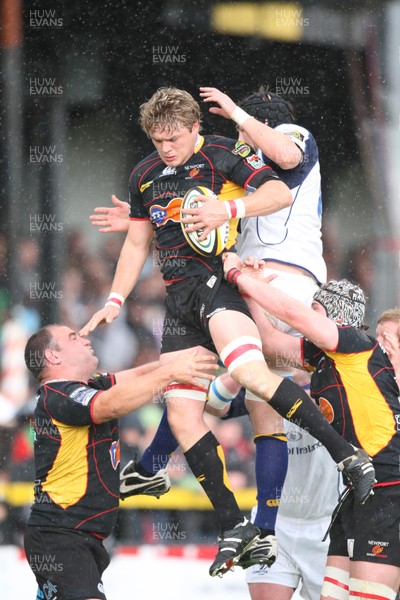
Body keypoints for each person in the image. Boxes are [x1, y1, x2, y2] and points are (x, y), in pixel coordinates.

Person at [80, 87, 374, 578]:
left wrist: (238, 119)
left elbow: (269, 174)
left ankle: (339, 451)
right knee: (211, 400)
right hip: (240, 279)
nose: (238, 137)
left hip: (273, 281)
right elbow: (176, 213)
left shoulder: (276, 138)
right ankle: (233, 516)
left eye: (241, 129)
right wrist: (145, 221)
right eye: (157, 140)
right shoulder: (164, 171)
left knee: (256, 376)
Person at [221, 253, 400, 599]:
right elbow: (271, 344)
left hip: (388, 489)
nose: (382, 341)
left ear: (335, 318)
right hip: (354, 495)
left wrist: (238, 276)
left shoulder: (355, 344)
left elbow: (291, 313)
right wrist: (247, 293)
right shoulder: (324, 357)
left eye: (314, 311)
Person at [23, 324, 217, 600]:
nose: (85, 338)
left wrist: (197, 355)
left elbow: (141, 374)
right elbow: (108, 406)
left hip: (76, 536)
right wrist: (173, 371)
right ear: (53, 357)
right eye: (73, 337)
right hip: (61, 536)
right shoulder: (58, 395)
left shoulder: (88, 386)